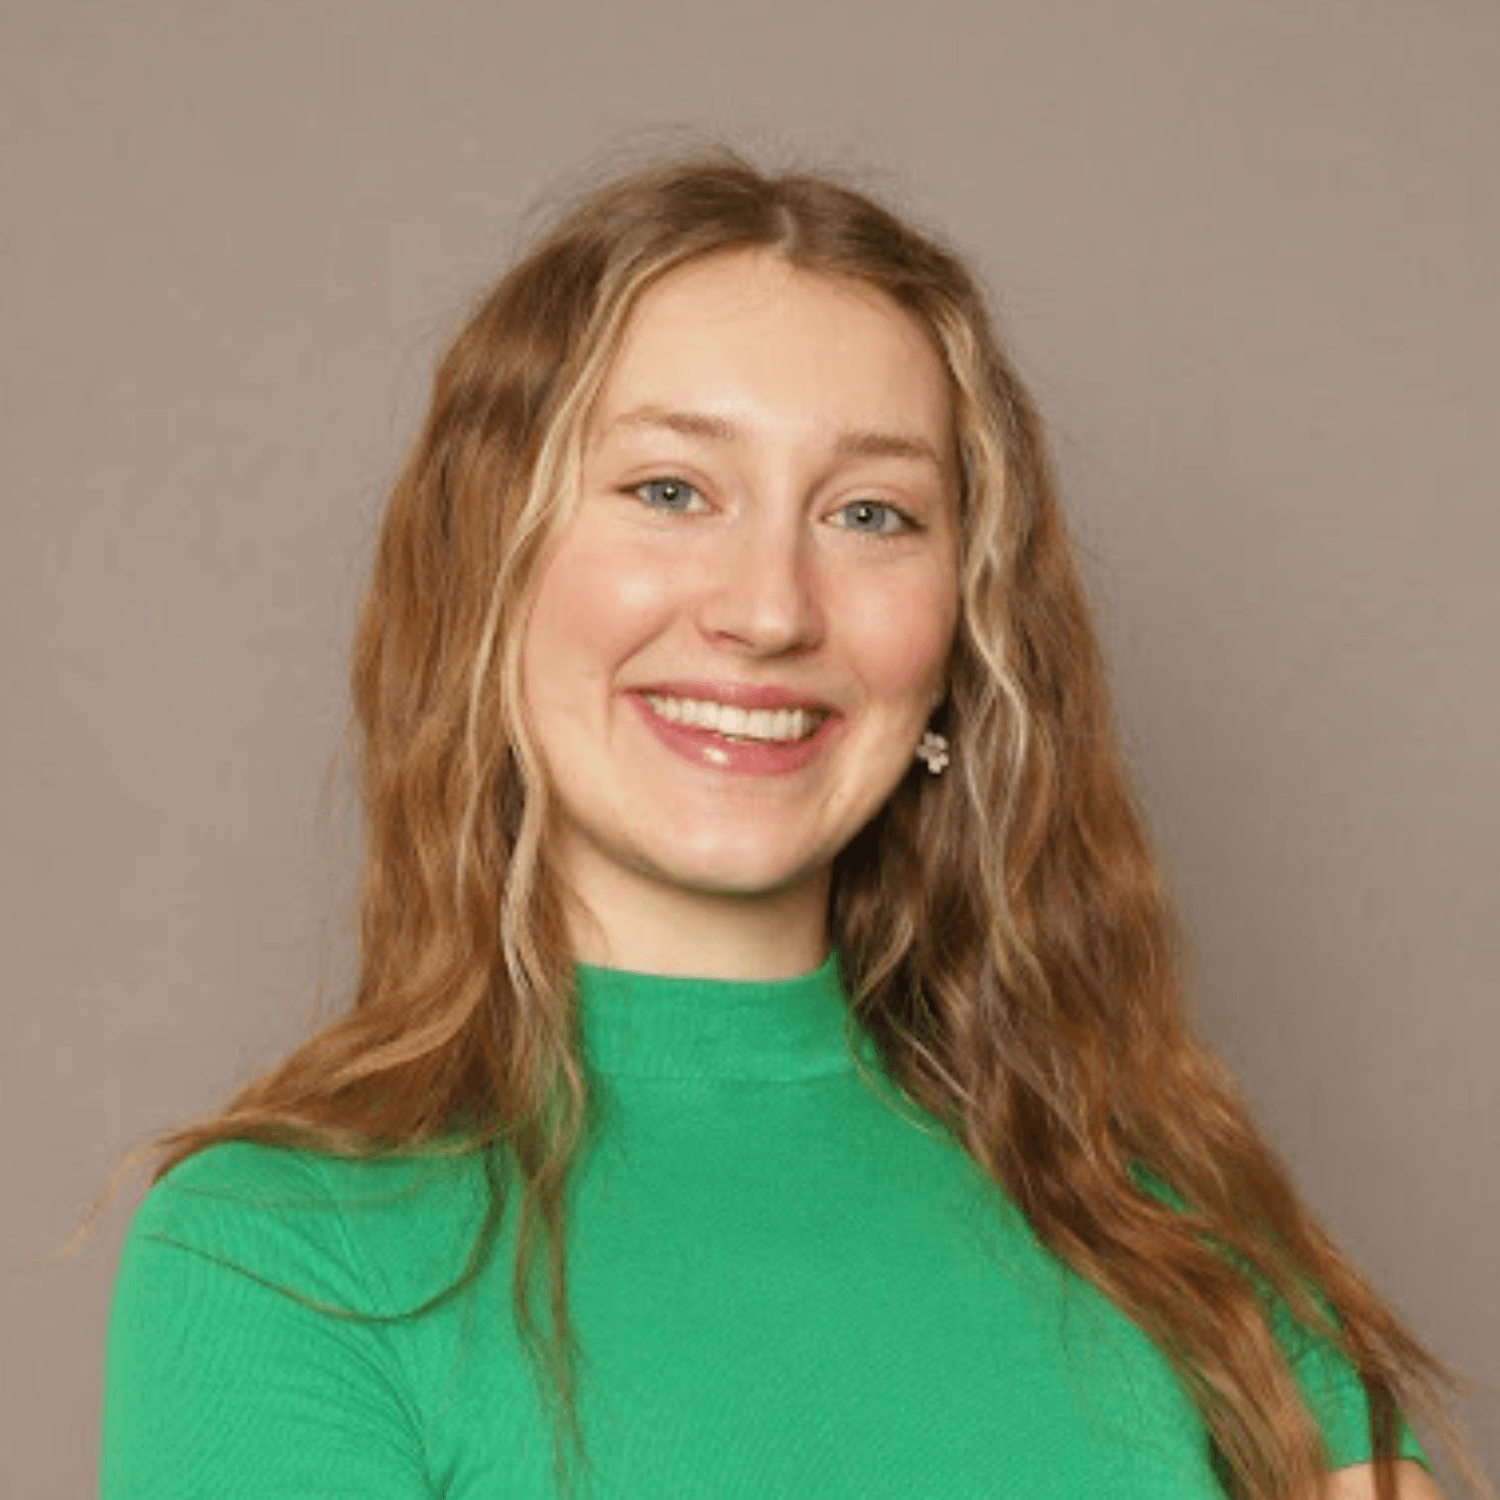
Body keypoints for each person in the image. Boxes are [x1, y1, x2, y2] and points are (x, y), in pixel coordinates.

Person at [100, 154, 1469, 1500]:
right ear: (490, 569)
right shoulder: (281, 1258)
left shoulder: (1170, 1231)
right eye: (670, 491)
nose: (769, 609)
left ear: (962, 639)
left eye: (871, 514)